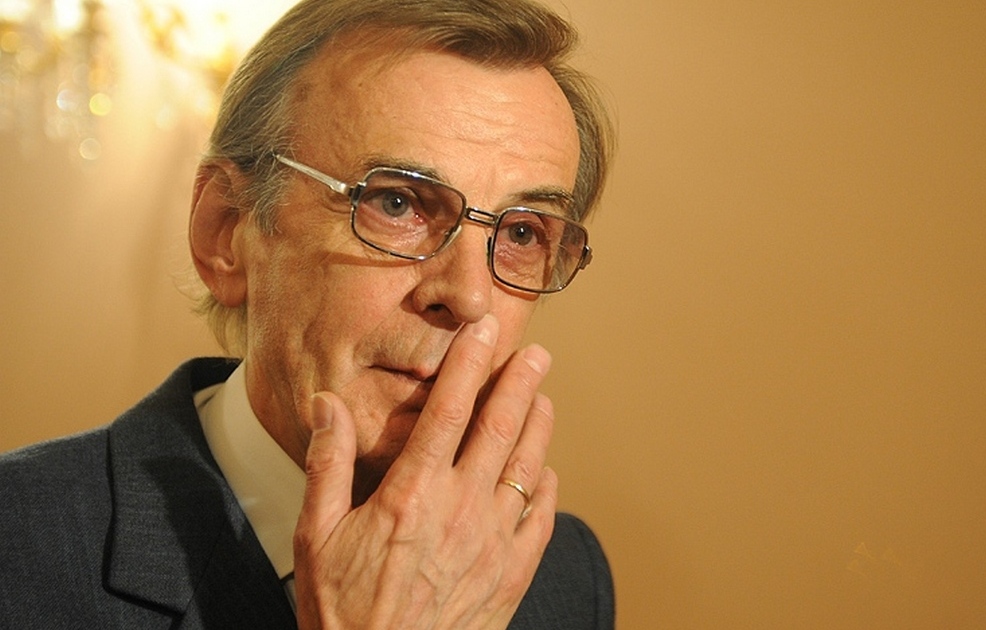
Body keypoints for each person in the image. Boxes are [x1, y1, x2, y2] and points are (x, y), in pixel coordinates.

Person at [0, 0, 615, 627]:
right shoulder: (17, 548)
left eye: (522, 233)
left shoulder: (565, 578)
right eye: (397, 203)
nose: (469, 297)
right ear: (227, 230)